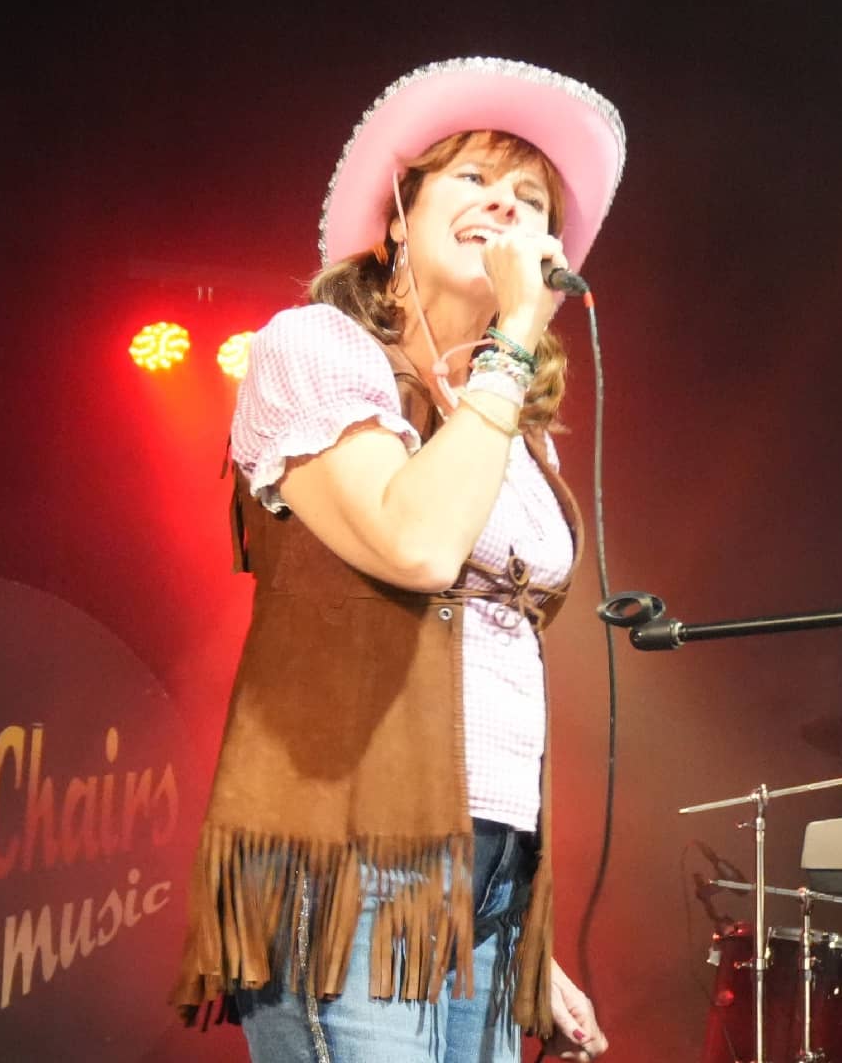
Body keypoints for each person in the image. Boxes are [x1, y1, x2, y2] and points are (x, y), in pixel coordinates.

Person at [171, 57, 623, 1063]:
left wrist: (529, 941)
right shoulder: (317, 349)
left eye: (531, 198)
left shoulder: (510, 427)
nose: (506, 205)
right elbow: (416, 545)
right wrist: (512, 339)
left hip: (489, 877)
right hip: (355, 855)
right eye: (473, 180)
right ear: (397, 218)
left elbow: (495, 660)